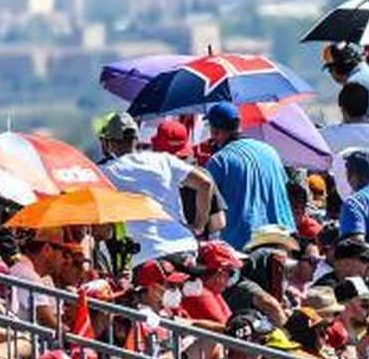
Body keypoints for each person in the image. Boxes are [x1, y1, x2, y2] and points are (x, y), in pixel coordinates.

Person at [96, 111, 215, 264]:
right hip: (183, 246)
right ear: (136, 138)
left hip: (144, 256)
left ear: (109, 143)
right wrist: (198, 226)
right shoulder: (163, 159)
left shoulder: (104, 172)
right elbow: (205, 184)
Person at [203, 100, 296, 251]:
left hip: (244, 244)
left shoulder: (219, 161)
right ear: (239, 125)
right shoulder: (270, 151)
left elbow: (207, 208)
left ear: (215, 131)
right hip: (282, 239)